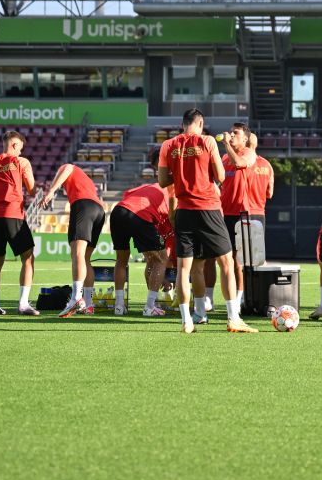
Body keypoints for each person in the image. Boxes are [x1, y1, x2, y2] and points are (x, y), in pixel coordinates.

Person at [157, 108, 256, 333]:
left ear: (183, 124)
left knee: (188, 268)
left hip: (184, 212)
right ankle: (233, 318)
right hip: (208, 208)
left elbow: (163, 181)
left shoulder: (167, 146)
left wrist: (183, 175)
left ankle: (190, 319)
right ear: (200, 123)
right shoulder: (208, 142)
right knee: (226, 263)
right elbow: (221, 176)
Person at [204, 124, 273, 311]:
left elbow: (240, 164)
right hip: (224, 214)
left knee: (239, 260)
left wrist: (226, 145)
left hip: (244, 213)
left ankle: (241, 299)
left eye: (236, 133)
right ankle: (208, 298)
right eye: (231, 132)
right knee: (213, 255)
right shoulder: (225, 158)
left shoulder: (249, 153)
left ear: (245, 139)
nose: (231, 135)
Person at [0, 130, 39, 316]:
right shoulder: (22, 162)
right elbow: (32, 190)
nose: (21, 152)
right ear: (15, 145)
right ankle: (22, 304)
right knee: (28, 258)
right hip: (13, 214)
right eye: (20, 148)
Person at [42, 162, 106, 318]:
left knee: (77, 254)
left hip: (83, 206)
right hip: (99, 210)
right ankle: (88, 304)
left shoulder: (68, 167)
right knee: (85, 259)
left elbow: (68, 168)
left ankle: (76, 298)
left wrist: (51, 190)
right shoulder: (86, 180)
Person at [108, 182, 174, 317]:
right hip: (140, 214)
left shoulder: (151, 185)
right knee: (161, 260)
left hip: (118, 211)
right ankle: (150, 306)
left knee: (121, 260)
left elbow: (127, 193)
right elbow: (170, 226)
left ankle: (119, 306)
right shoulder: (173, 194)